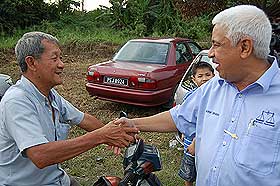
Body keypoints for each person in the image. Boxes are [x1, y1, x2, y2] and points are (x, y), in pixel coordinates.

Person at [115, 5, 280, 186]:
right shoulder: (213, 87)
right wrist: (133, 124)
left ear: (245, 47)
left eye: (216, 44)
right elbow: (177, 117)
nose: (210, 53)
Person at [0, 31, 139, 186]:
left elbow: (83, 119)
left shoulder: (50, 95)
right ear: (32, 63)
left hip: (58, 179)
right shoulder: (16, 101)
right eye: (54, 58)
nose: (62, 64)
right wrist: (102, 136)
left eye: (61, 58)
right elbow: (40, 155)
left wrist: (120, 134)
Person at [178, 62, 214, 186]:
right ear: (193, 79)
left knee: (203, 171)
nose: (204, 78)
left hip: (203, 144)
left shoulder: (215, 97)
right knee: (188, 172)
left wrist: (195, 142)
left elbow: (207, 123)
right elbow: (184, 117)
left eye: (208, 75)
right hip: (189, 145)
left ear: (214, 76)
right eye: (200, 76)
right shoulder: (190, 96)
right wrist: (183, 131)